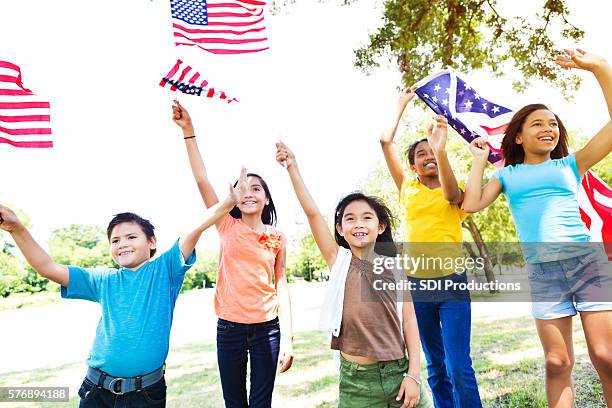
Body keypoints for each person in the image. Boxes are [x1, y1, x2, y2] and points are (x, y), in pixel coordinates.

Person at [0, 174, 246, 408]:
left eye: (131, 237)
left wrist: (228, 202)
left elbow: (194, 230)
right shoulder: (103, 280)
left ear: (151, 242)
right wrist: (17, 228)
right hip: (96, 390)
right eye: (115, 241)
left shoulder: (165, 270)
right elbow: (48, 268)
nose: (122, 244)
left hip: (146, 395)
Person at [463, 49, 612, 407]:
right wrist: (479, 162)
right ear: (517, 137)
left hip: (586, 263)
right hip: (544, 272)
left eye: (553, 124)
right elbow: (471, 203)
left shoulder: (569, 165)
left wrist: (599, 68)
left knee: (606, 355)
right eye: (538, 124)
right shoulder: (507, 175)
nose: (549, 129)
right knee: (556, 361)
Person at [276, 141, 432, 408]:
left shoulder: (395, 268)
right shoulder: (339, 260)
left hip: (398, 374)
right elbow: (313, 213)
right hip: (356, 383)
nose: (358, 223)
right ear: (340, 228)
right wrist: (292, 168)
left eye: (366, 217)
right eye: (350, 218)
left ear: (380, 226)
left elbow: (410, 324)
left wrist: (414, 376)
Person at [171, 100, 294, 408]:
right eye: (242, 188)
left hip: (268, 329)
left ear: (266, 199)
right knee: (235, 403)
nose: (248, 193)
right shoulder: (226, 223)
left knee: (260, 403)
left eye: (256, 189)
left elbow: (281, 284)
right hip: (229, 328)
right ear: (235, 198)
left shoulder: (277, 237)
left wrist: (288, 337)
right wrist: (189, 132)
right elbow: (202, 180)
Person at [379, 87, 482, 408]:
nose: (427, 156)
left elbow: (452, 197)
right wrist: (401, 102)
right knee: (435, 366)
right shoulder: (407, 188)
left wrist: (440, 149)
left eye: (431, 152)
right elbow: (385, 142)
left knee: (458, 365)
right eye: (420, 154)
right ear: (412, 167)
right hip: (416, 287)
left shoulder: (456, 190)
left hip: (452, 283)